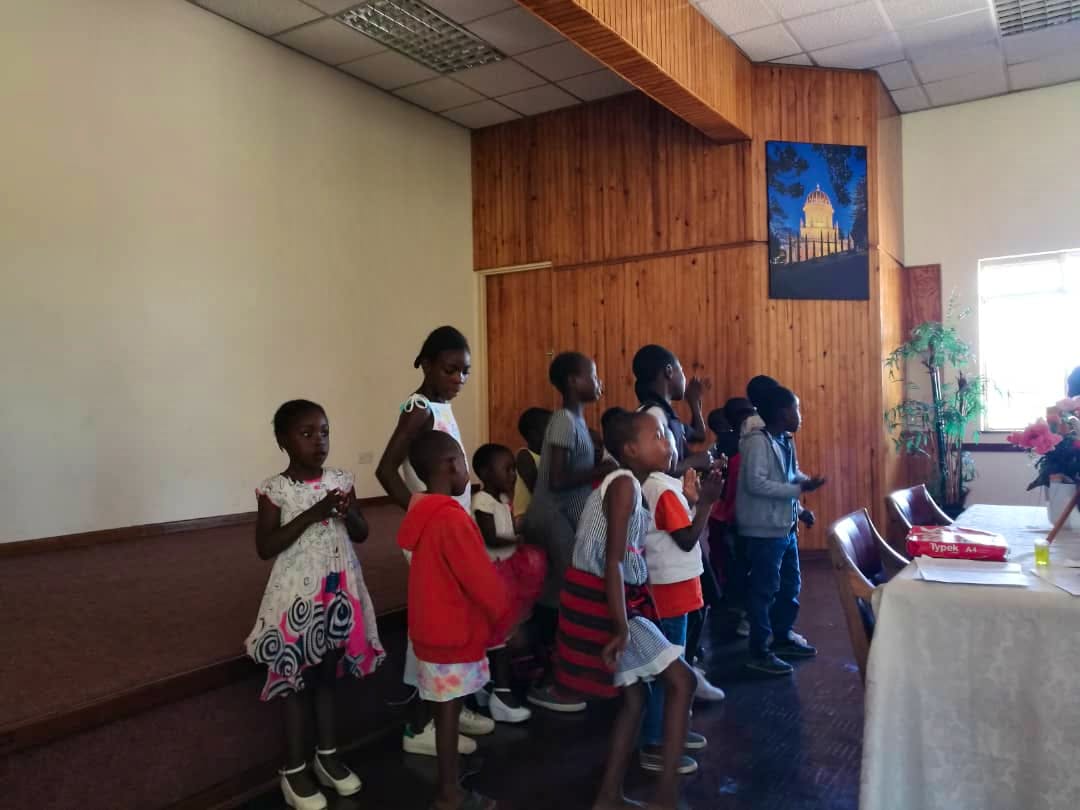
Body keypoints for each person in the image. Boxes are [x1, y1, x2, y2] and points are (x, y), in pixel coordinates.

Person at [247, 400, 385, 810]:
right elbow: (265, 546)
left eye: (324, 432)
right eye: (306, 434)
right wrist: (312, 513)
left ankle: (327, 756)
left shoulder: (341, 480)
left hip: (337, 589)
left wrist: (346, 513)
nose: (318, 441)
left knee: (327, 673)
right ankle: (293, 769)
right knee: (296, 680)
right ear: (283, 441)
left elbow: (361, 532)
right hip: (297, 597)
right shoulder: (275, 489)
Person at [554, 410, 695, 810]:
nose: (669, 442)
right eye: (659, 435)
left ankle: (608, 796)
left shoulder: (630, 484)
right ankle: (665, 797)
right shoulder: (623, 485)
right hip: (612, 606)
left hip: (616, 601)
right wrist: (621, 627)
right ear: (631, 449)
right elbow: (614, 561)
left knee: (635, 701)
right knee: (682, 682)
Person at [375, 326, 494, 755]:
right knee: (433, 625)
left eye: (465, 371)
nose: (458, 379)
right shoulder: (418, 409)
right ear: (425, 364)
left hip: (448, 530)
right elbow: (385, 469)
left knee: (454, 619)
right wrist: (420, 515)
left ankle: (450, 706)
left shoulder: (440, 405)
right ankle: (421, 723)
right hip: (434, 534)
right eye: (450, 369)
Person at [398, 431, 510, 810]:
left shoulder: (422, 512)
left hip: (432, 634)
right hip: (453, 635)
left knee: (445, 711)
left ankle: (451, 785)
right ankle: (449, 794)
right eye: (463, 461)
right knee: (447, 717)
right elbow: (480, 578)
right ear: (449, 465)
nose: (467, 470)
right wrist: (504, 614)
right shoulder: (451, 519)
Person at [523, 352, 616, 712]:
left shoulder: (576, 421)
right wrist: (599, 471)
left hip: (563, 519)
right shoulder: (563, 420)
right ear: (574, 381)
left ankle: (555, 670)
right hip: (552, 519)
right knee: (561, 595)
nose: (599, 382)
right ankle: (552, 678)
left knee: (559, 592)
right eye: (593, 375)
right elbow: (557, 480)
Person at [631, 344, 725, 701]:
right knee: (691, 607)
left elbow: (693, 437)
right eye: (682, 369)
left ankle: (684, 671)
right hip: (671, 529)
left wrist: (695, 404)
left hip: (679, 510)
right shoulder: (653, 415)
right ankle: (680, 678)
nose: (686, 377)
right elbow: (658, 467)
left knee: (700, 599)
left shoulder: (664, 411)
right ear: (669, 371)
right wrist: (696, 464)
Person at [639, 459, 726, 775]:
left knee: (678, 666)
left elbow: (679, 526)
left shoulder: (668, 486)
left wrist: (693, 502)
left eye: (667, 438)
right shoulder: (659, 488)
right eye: (659, 438)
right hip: (669, 593)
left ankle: (671, 730)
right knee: (667, 673)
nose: (669, 444)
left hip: (680, 588)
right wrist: (706, 503)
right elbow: (686, 539)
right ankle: (654, 743)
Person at [736, 386, 826, 676]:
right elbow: (756, 484)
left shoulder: (785, 440)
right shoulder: (756, 443)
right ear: (782, 414)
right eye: (796, 409)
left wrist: (803, 497)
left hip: (784, 526)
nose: (800, 415)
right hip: (763, 529)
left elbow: (790, 476)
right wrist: (799, 489)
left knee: (790, 584)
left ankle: (782, 637)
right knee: (764, 590)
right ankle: (759, 651)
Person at [471, 442, 548, 723]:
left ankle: (487, 686)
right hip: (493, 574)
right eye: (506, 469)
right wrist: (519, 539)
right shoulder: (482, 501)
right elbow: (491, 537)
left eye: (514, 469)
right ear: (485, 473)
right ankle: (501, 695)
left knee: (503, 632)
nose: (513, 474)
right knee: (498, 635)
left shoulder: (502, 499)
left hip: (506, 571)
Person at [707, 399, 756, 637]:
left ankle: (737, 606)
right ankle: (744, 613)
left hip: (734, 515)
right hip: (734, 515)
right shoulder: (735, 446)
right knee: (741, 565)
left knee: (738, 563)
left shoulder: (738, 445)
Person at [513, 408, 551, 519]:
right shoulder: (524, 455)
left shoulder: (549, 458)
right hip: (525, 516)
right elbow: (537, 488)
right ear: (533, 435)